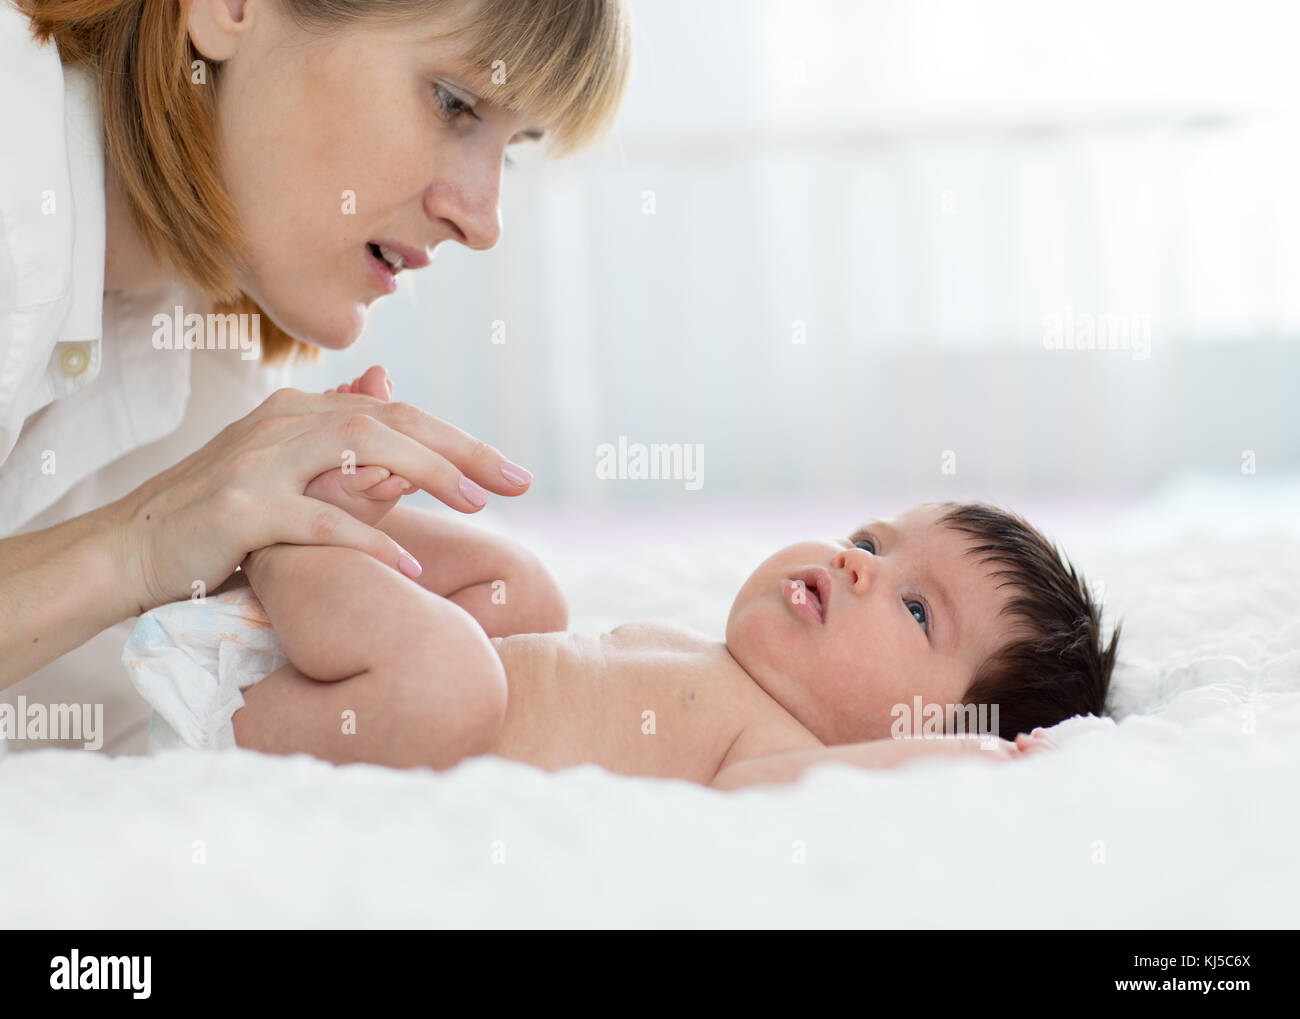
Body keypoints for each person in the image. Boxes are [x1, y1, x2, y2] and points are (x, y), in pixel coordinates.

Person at [0, 0, 631, 754]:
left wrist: (313, 556)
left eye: (514, 147)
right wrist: (137, 545)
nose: (484, 219)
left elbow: (149, 705)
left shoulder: (211, 354)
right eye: (453, 104)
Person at [124, 487, 1120, 788]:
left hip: (329, 713)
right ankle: (333, 514)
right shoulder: (693, 649)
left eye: (915, 609)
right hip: (344, 658)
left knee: (458, 687)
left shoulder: (775, 751)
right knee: (529, 590)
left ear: (927, 722)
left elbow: (826, 795)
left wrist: (967, 757)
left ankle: (283, 537)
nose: (860, 563)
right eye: (870, 539)